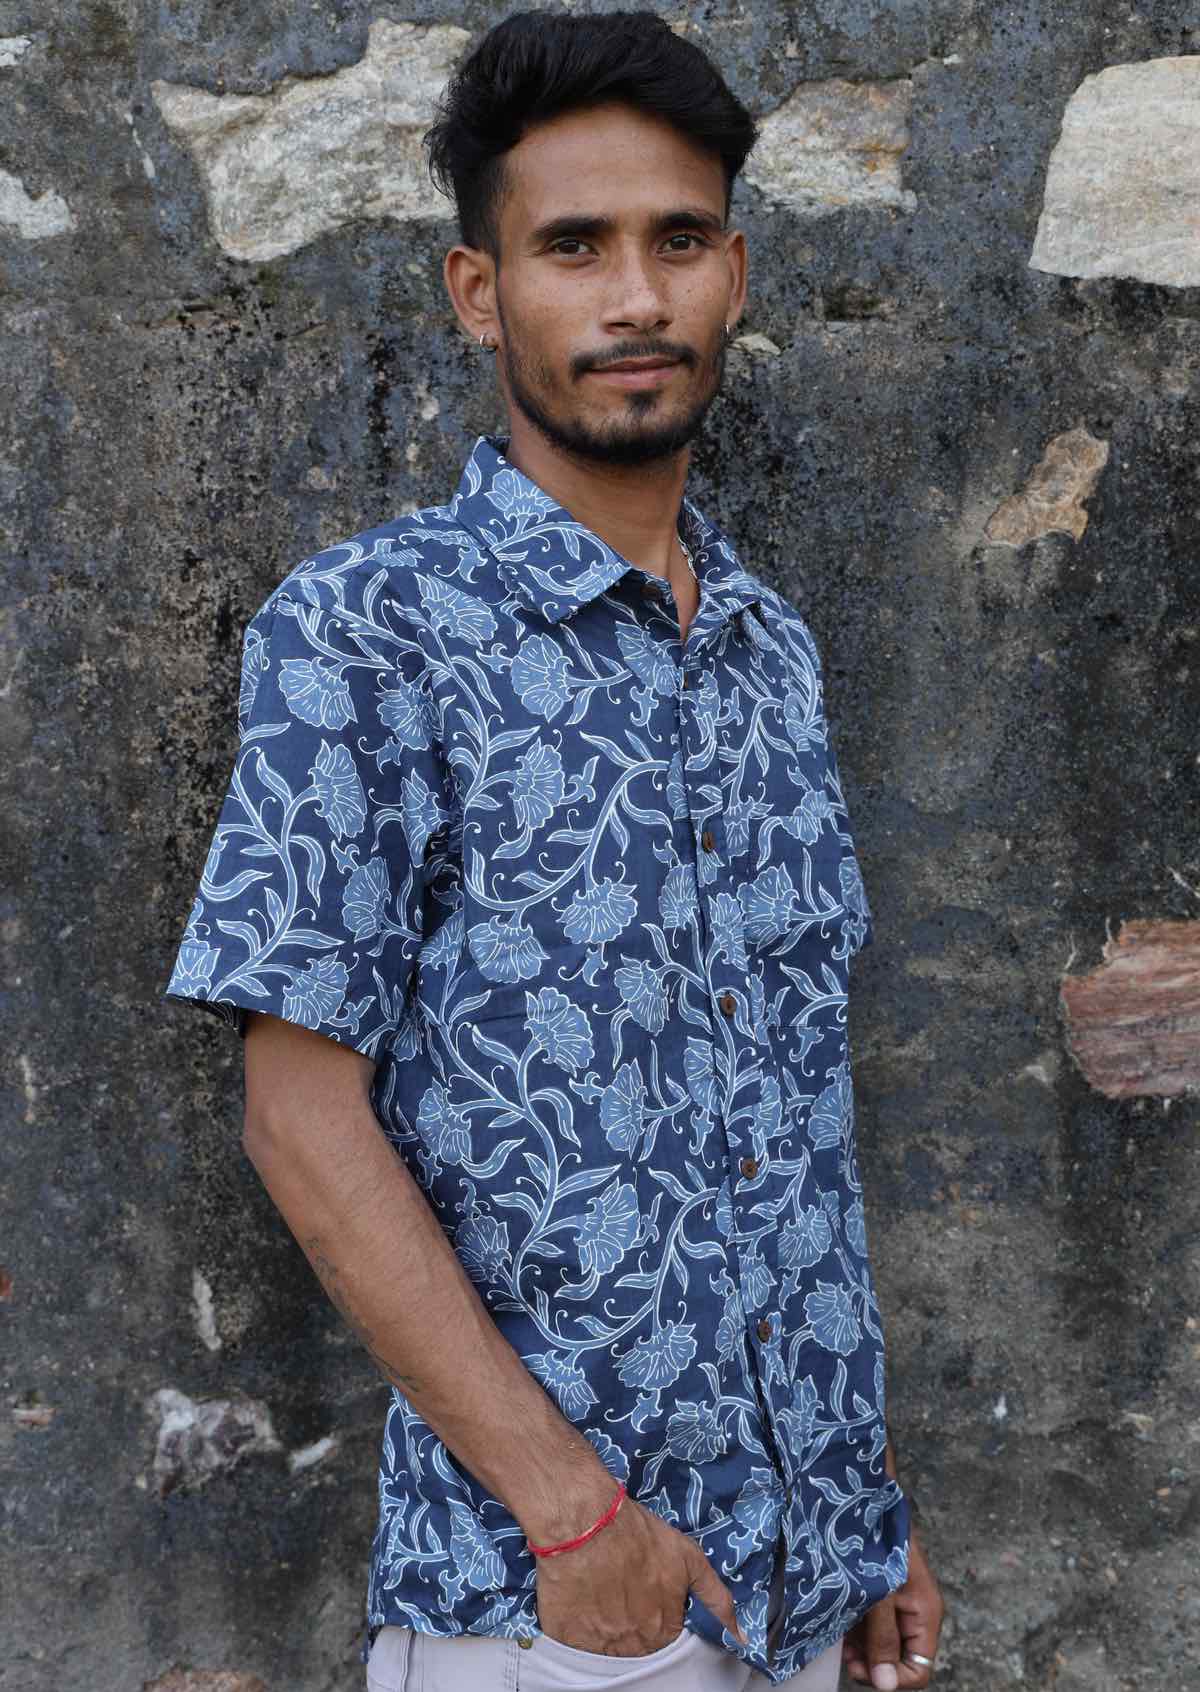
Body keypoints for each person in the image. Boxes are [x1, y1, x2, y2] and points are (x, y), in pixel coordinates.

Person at [163, 11, 944, 1690]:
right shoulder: (371, 632)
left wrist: (868, 1509)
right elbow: (299, 1114)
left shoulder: (770, 650)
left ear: (734, 274)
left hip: (805, 1584)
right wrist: (574, 1519)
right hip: (553, 1602)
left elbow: (790, 1112)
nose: (634, 298)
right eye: (571, 247)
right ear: (478, 293)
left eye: (675, 243)